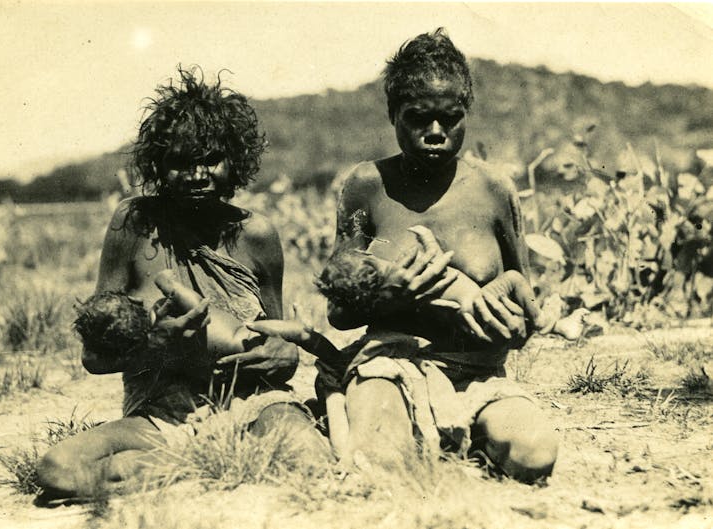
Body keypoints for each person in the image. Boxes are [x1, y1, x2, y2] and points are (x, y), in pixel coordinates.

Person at [35, 66, 327, 502]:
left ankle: (200, 465)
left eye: (210, 160)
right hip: (160, 415)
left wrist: (284, 356)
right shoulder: (133, 225)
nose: (196, 175)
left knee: (308, 456)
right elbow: (93, 357)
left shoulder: (257, 235)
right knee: (58, 469)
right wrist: (153, 344)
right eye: (180, 163)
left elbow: (276, 349)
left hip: (251, 404)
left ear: (234, 163)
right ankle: (200, 466)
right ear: (159, 164)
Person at [302, 29, 559, 483]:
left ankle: (451, 433)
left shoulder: (494, 190)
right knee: (384, 462)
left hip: (478, 372)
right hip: (388, 364)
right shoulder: (368, 185)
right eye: (418, 118)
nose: (435, 133)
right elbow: (339, 310)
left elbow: (520, 299)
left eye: (450, 118)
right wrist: (394, 297)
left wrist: (513, 324)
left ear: (466, 114)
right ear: (393, 115)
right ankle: (379, 420)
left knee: (533, 455)